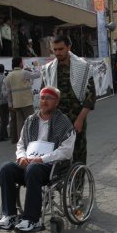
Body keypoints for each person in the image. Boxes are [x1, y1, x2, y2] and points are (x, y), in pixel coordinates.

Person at [0, 87, 76, 232]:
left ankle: (32, 219)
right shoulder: (31, 120)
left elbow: (66, 151)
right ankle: (10, 215)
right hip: (29, 163)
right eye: (42, 98)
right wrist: (21, 157)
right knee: (6, 168)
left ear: (56, 102)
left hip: (51, 166)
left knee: (33, 169)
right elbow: (21, 143)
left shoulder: (63, 123)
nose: (44, 101)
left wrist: (42, 159)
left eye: (49, 98)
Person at [41, 35, 96, 164]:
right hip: (56, 119)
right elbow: (44, 95)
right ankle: (62, 181)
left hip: (76, 118)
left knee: (78, 153)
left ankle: (77, 183)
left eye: (61, 49)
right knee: (56, 153)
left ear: (68, 47)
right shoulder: (49, 69)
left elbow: (91, 96)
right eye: (55, 50)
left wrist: (80, 119)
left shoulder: (83, 67)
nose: (57, 53)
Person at [5, 57, 41, 143]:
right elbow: (38, 75)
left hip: (16, 103)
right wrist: (36, 66)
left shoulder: (9, 75)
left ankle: (21, 140)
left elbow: (8, 92)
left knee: (20, 122)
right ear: (20, 63)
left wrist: (10, 104)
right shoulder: (24, 73)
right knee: (31, 120)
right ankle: (32, 139)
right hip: (26, 101)